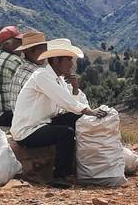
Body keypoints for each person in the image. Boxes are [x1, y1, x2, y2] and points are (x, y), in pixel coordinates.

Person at [11, 38, 106, 189]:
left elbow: (69, 105)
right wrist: (89, 111)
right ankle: (60, 175)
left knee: (76, 118)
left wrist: (75, 90)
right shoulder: (41, 76)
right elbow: (66, 102)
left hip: (44, 123)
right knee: (66, 133)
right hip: (28, 130)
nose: (72, 64)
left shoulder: (58, 80)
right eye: (68, 59)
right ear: (56, 60)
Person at [8, 31, 48, 110]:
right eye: (40, 49)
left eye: (45, 49)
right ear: (27, 50)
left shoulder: (21, 69)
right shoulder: (36, 73)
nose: (44, 53)